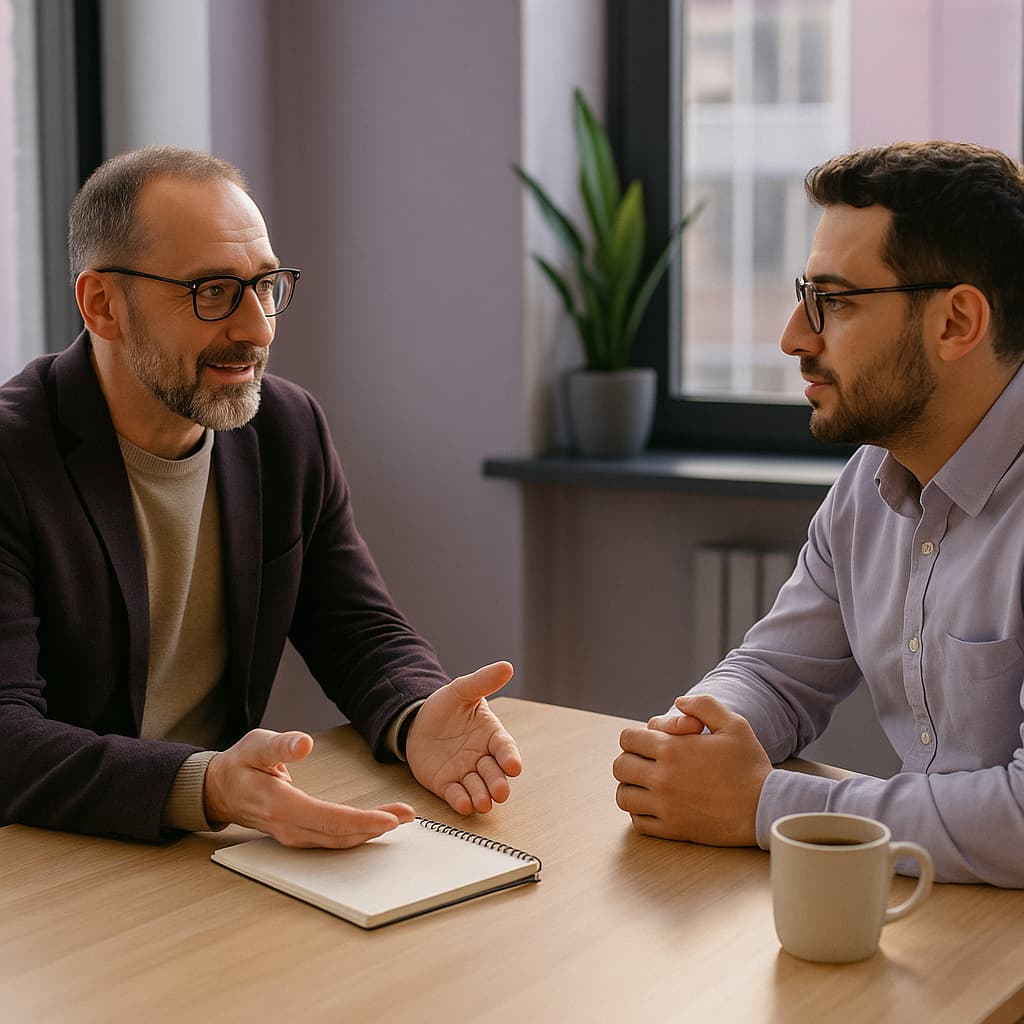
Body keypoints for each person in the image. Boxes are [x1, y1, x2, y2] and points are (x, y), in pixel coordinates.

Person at [0, 145, 522, 847]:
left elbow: (356, 628)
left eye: (266, 285)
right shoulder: (12, 459)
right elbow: (6, 735)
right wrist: (207, 785)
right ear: (103, 305)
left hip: (209, 852)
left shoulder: (285, 428)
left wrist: (417, 713)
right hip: (48, 865)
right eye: (211, 291)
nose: (258, 329)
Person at [613, 140, 1024, 887]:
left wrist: (769, 805)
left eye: (833, 302)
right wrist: (697, 736)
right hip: (949, 913)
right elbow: (776, 675)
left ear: (957, 322)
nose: (794, 339)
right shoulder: (871, 479)